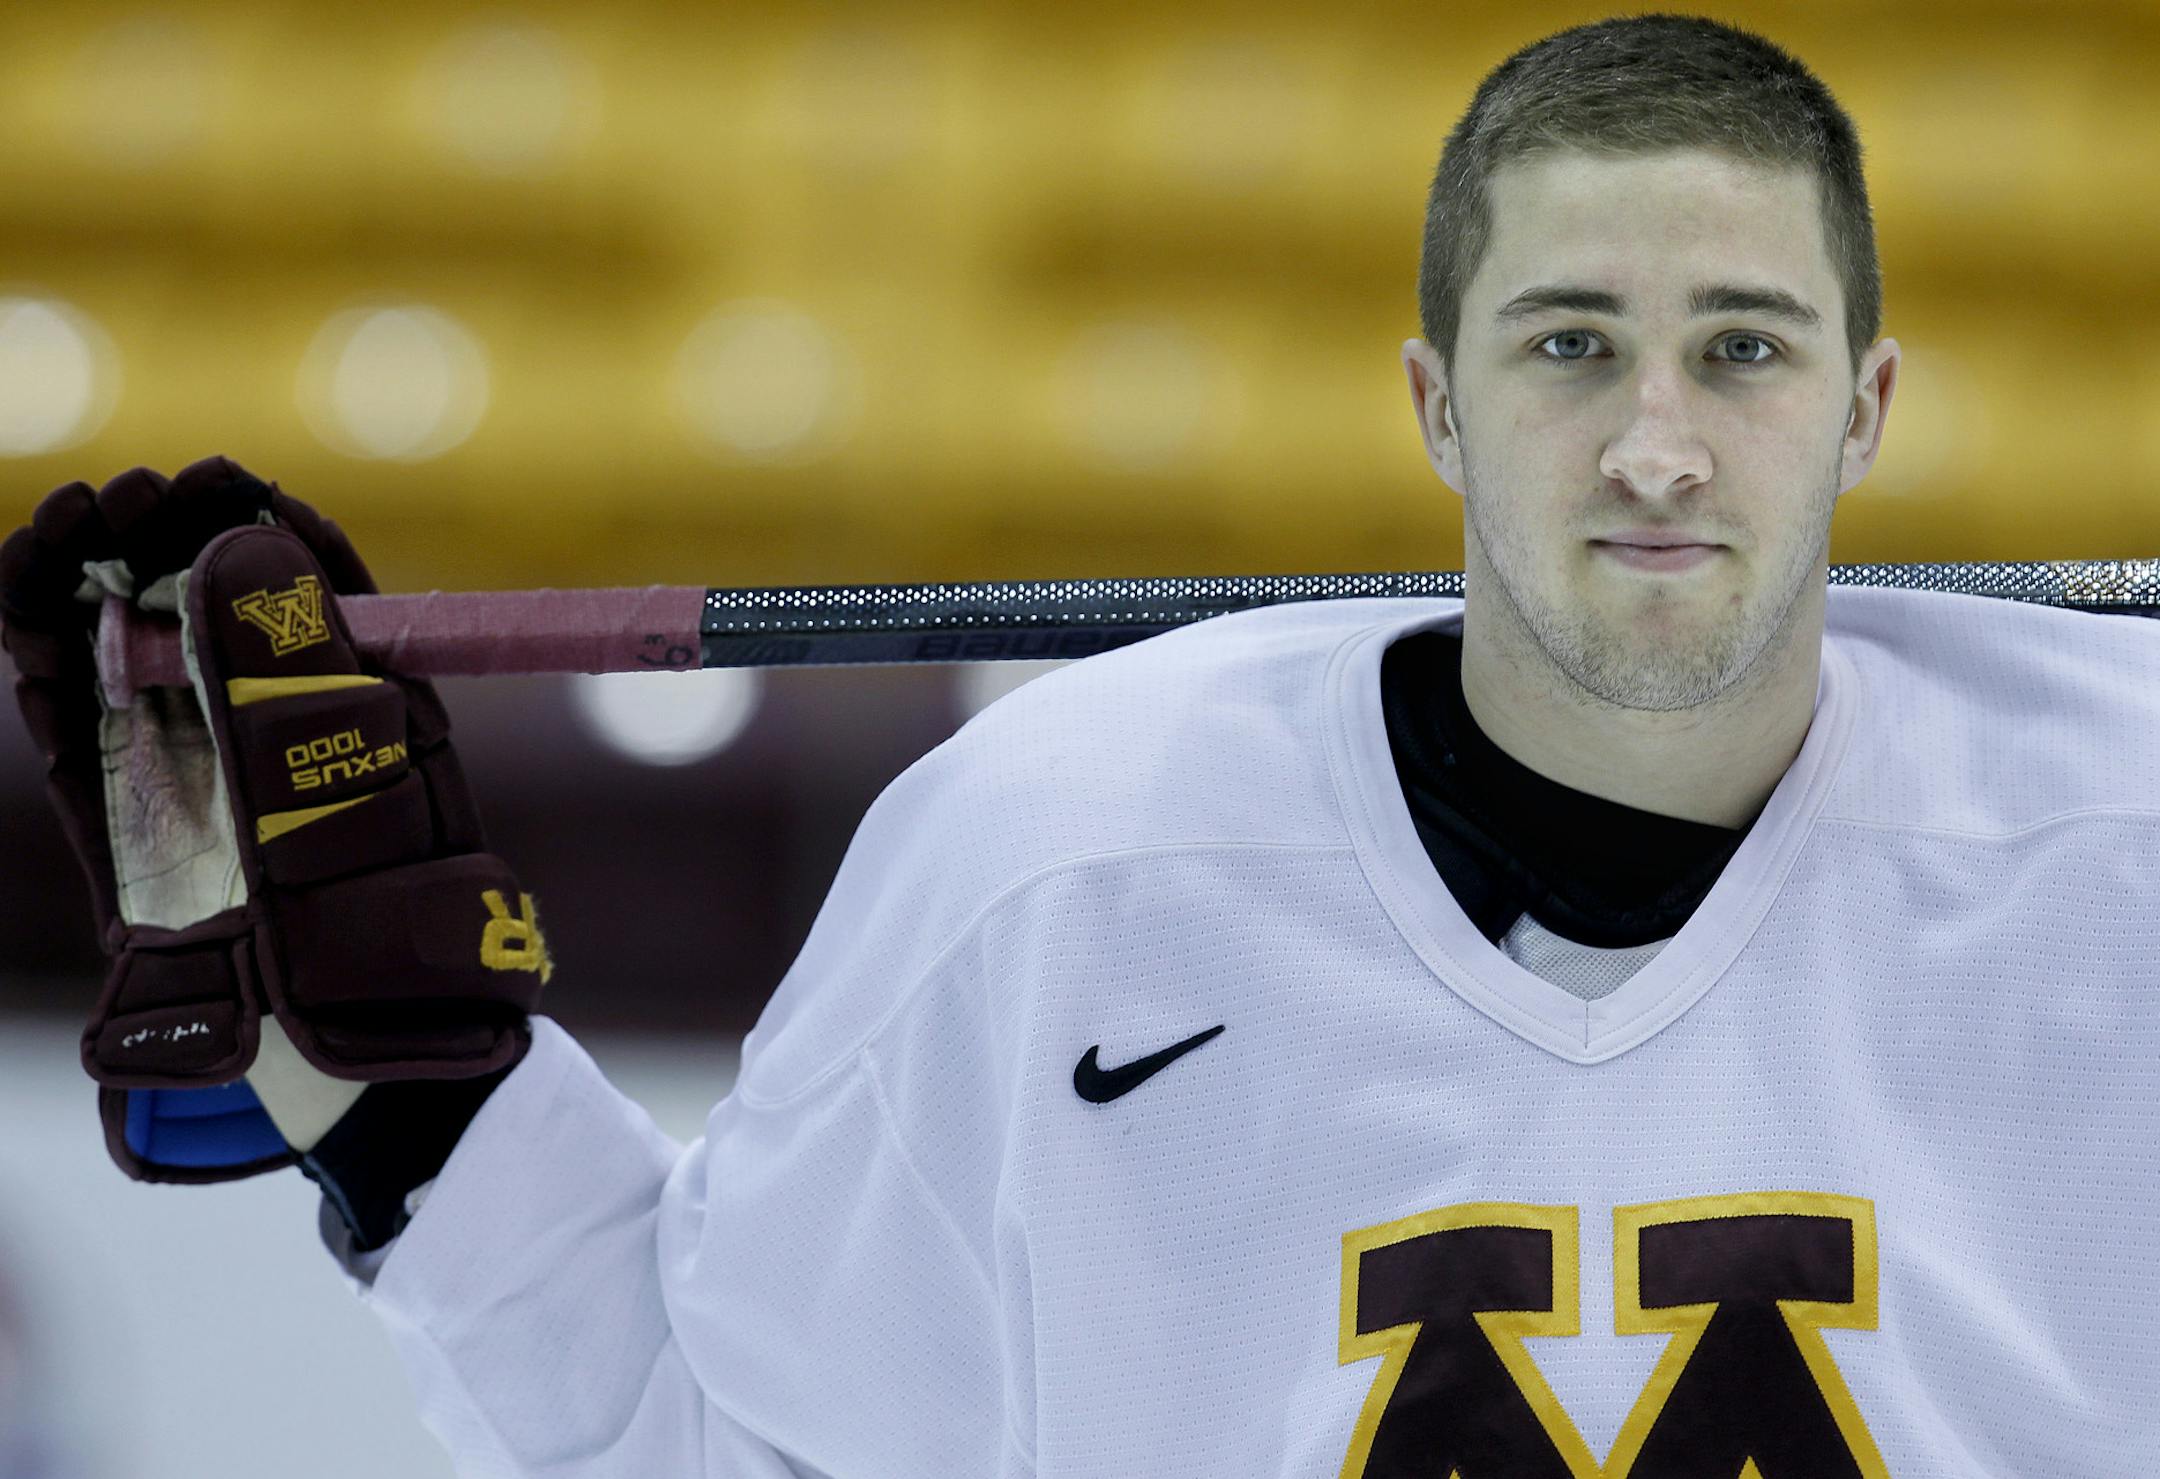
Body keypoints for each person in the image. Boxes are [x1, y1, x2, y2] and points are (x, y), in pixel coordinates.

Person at [5, 11, 2157, 1473]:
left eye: (1746, 349)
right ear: (1433, 401)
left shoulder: (2123, 852)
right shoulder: (1044, 863)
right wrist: (408, 1117)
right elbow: (720, 1441)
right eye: (1571, 343)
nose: (1659, 444)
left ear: (1869, 404)